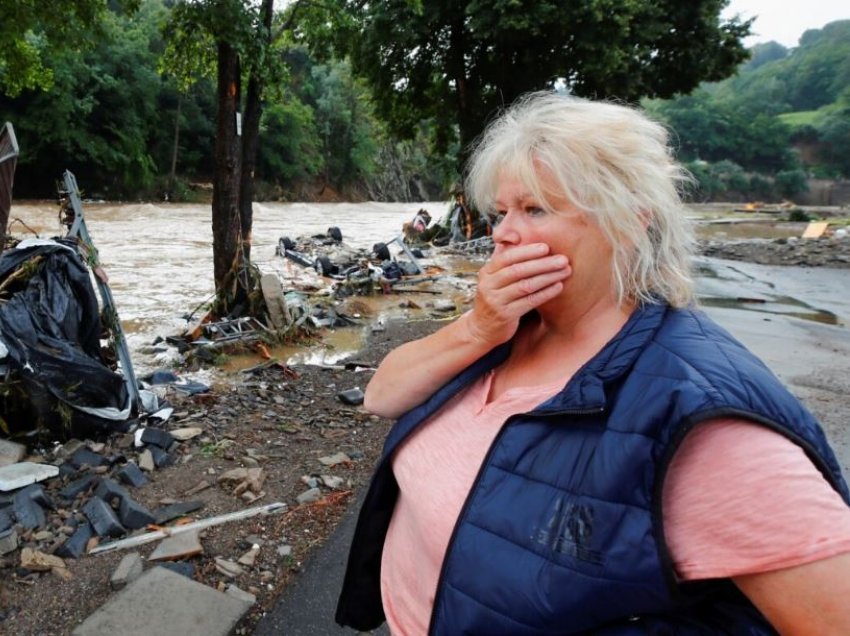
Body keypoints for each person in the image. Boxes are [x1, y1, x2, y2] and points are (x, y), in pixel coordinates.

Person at [335, 92, 850, 634]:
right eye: (501, 212)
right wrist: (477, 328)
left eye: (534, 209)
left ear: (628, 221)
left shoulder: (703, 415)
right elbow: (381, 396)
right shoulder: (511, 326)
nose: (502, 233)